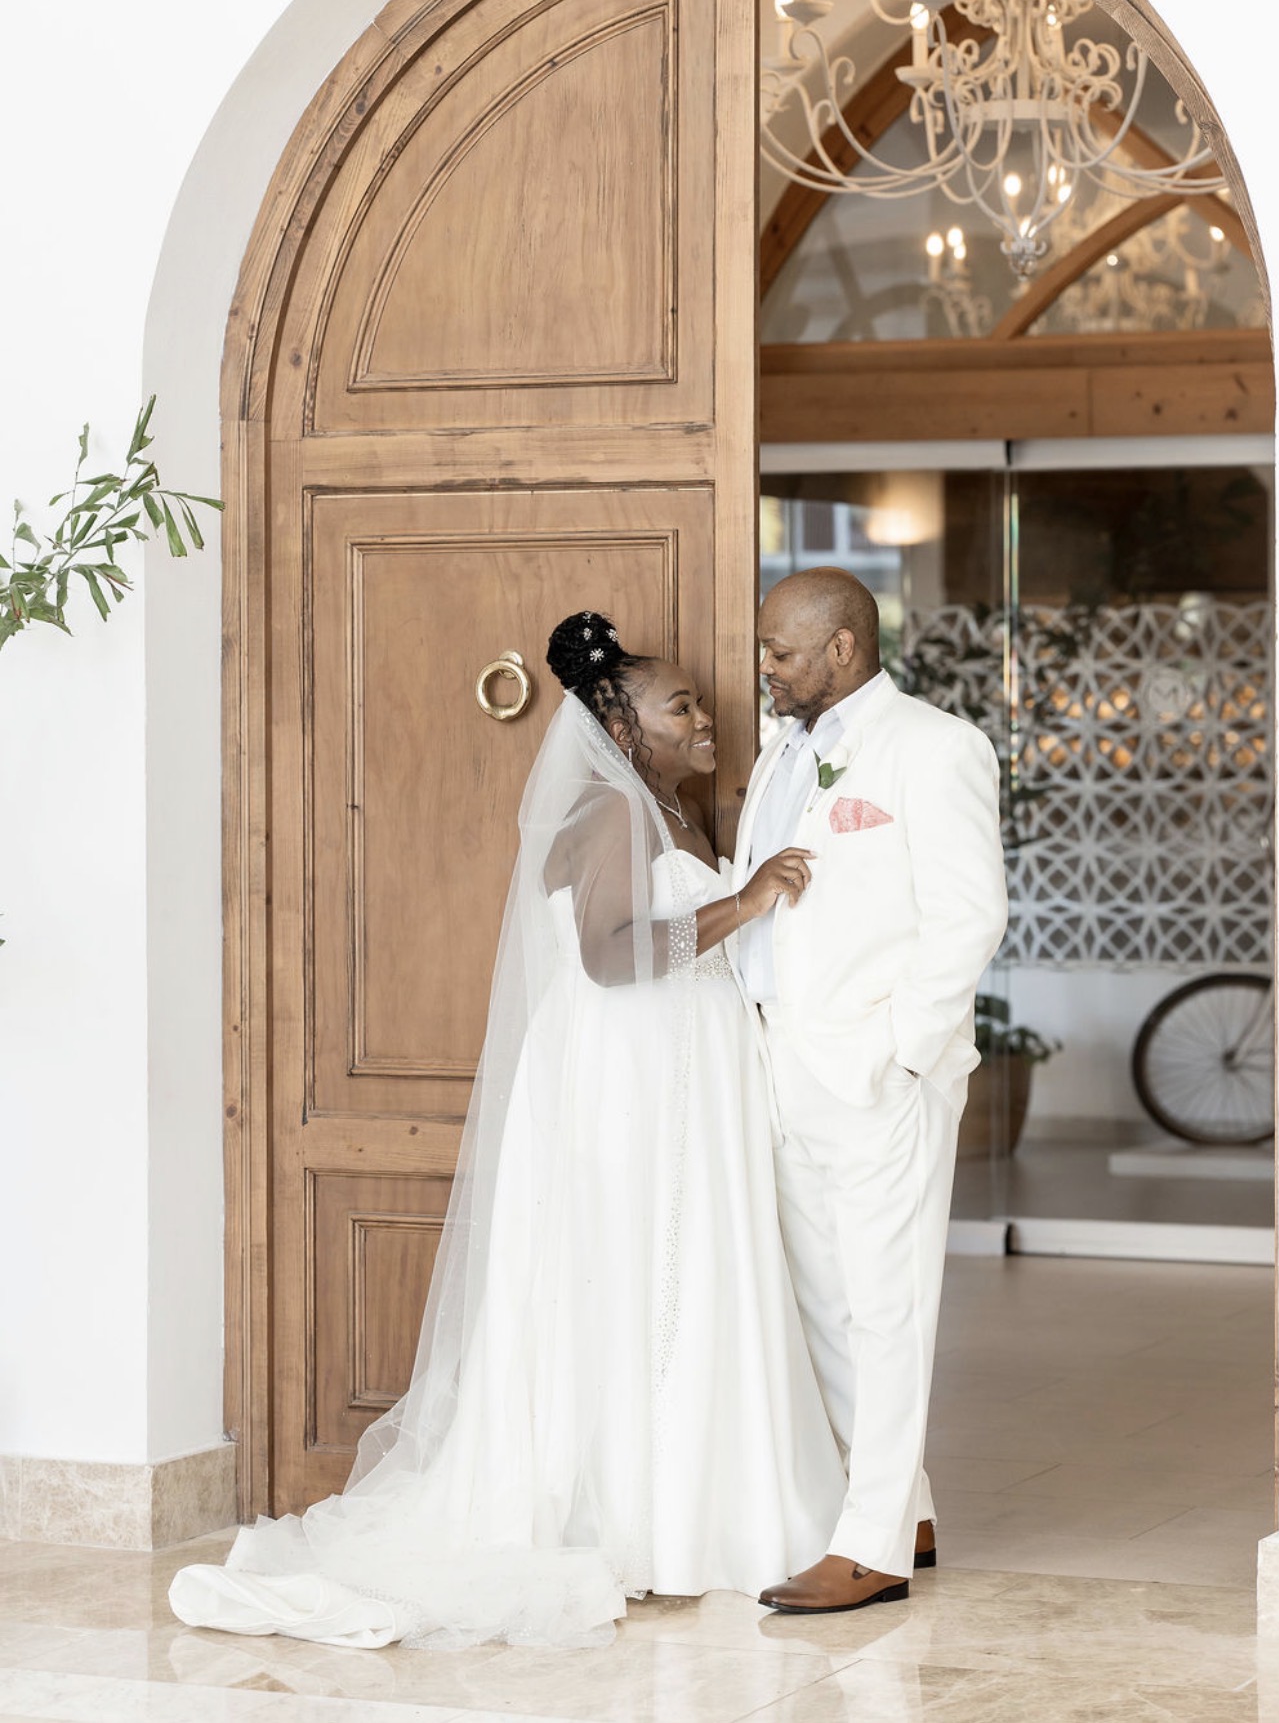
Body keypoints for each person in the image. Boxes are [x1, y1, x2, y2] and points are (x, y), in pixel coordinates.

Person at [170, 610, 845, 1651]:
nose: (708, 716)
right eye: (684, 707)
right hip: (625, 1089)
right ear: (625, 734)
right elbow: (614, 959)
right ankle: (627, 1521)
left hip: (674, 1077)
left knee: (676, 1279)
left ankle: (676, 1513)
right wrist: (745, 903)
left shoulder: (667, 810)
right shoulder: (613, 819)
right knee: (633, 1279)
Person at [734, 568, 1008, 1614]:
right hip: (780, 1063)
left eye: (781, 650)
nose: (765, 666)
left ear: (842, 648)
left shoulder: (935, 747)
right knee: (827, 1306)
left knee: (888, 1308)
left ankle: (874, 1545)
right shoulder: (779, 754)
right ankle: (908, 1504)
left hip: (876, 1072)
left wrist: (900, 1052)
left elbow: (967, 916)